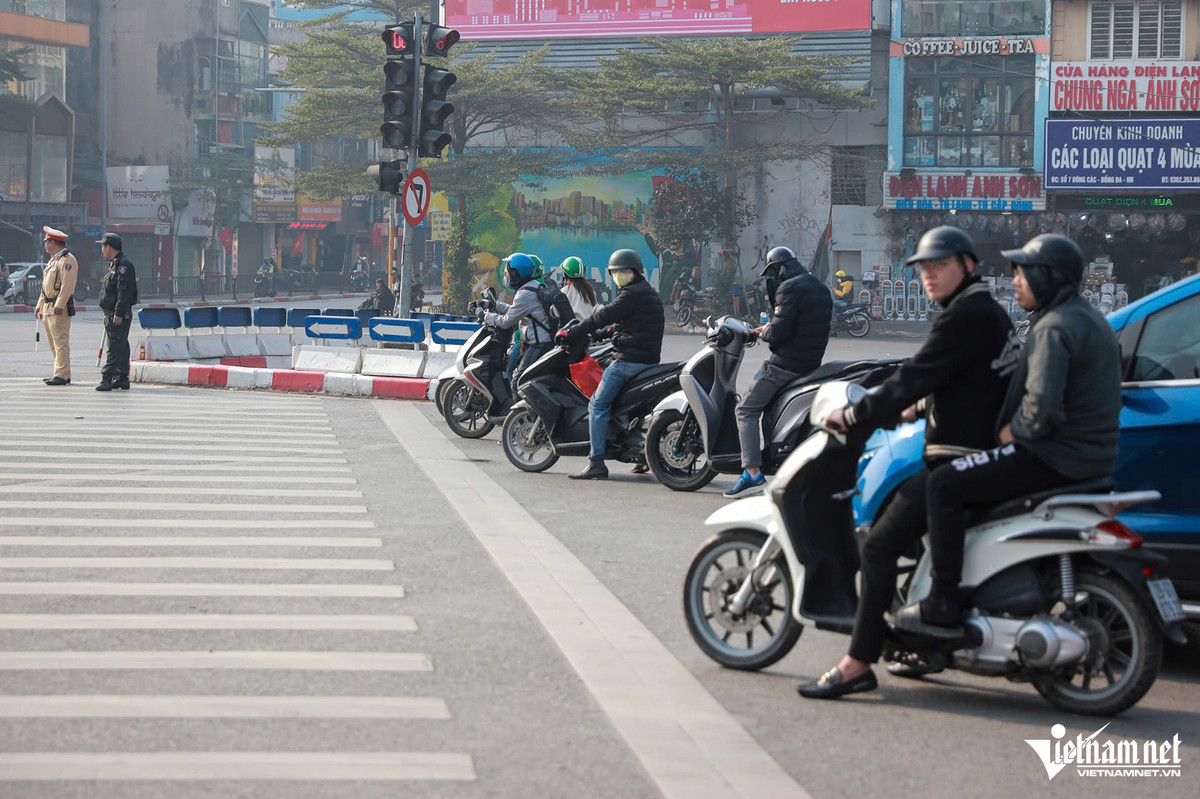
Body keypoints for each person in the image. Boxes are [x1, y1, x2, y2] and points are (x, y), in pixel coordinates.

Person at [798, 226, 1018, 699]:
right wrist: (914, 409)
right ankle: (922, 644)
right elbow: (961, 381)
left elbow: (915, 375)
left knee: (876, 547)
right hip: (976, 450)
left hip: (959, 459)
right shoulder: (984, 312)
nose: (929, 277)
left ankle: (858, 662)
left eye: (939, 266)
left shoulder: (966, 314)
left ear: (969, 265)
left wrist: (857, 413)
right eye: (922, 269)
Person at [889, 233, 1122, 639]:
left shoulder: (1054, 327)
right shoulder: (1090, 319)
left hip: (1052, 456)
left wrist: (1015, 430)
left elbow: (1043, 406)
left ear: (1049, 278)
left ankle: (942, 601)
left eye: (1023, 273)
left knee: (944, 485)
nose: (1015, 281)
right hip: (1089, 457)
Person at [725, 246, 833, 497]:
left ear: (780, 269)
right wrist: (772, 326)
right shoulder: (819, 287)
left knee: (746, 409)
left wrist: (766, 332)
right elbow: (801, 324)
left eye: (773, 274)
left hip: (785, 365)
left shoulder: (789, 287)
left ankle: (752, 474)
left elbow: (780, 332)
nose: (773, 280)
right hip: (810, 364)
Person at [559, 249, 664, 480]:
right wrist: (600, 334)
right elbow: (626, 324)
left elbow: (604, 315)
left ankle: (596, 462)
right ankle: (641, 454)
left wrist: (573, 331)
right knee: (628, 408)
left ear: (632, 272)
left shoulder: (631, 294)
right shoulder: (646, 293)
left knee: (597, 406)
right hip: (647, 360)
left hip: (629, 362)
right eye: (614, 272)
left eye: (620, 271)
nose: (617, 275)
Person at [483, 253, 555, 387]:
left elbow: (506, 322)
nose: (506, 276)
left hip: (539, 344)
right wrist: (494, 305)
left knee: (518, 383)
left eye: (507, 272)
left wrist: (485, 316)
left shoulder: (525, 293)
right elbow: (516, 310)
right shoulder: (533, 287)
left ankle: (519, 408)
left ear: (516, 274)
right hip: (541, 342)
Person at [35, 226, 78, 386]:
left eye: (46, 241)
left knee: (60, 341)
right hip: (48, 306)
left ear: (52, 243)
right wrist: (39, 304)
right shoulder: (53, 260)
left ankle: (61, 374)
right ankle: (62, 373)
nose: (45, 244)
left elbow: (68, 285)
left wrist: (59, 304)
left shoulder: (67, 260)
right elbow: (45, 287)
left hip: (59, 307)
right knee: (54, 342)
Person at [95, 232, 138, 391]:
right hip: (111, 312)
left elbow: (124, 292)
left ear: (109, 247)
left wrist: (119, 313)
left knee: (114, 346)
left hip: (118, 313)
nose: (102, 249)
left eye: (103, 246)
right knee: (120, 344)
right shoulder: (115, 263)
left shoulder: (123, 265)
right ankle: (121, 377)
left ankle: (107, 377)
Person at [559, 256, 599, 320]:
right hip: (592, 328)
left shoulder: (564, 292)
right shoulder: (591, 292)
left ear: (565, 274)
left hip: (575, 328)